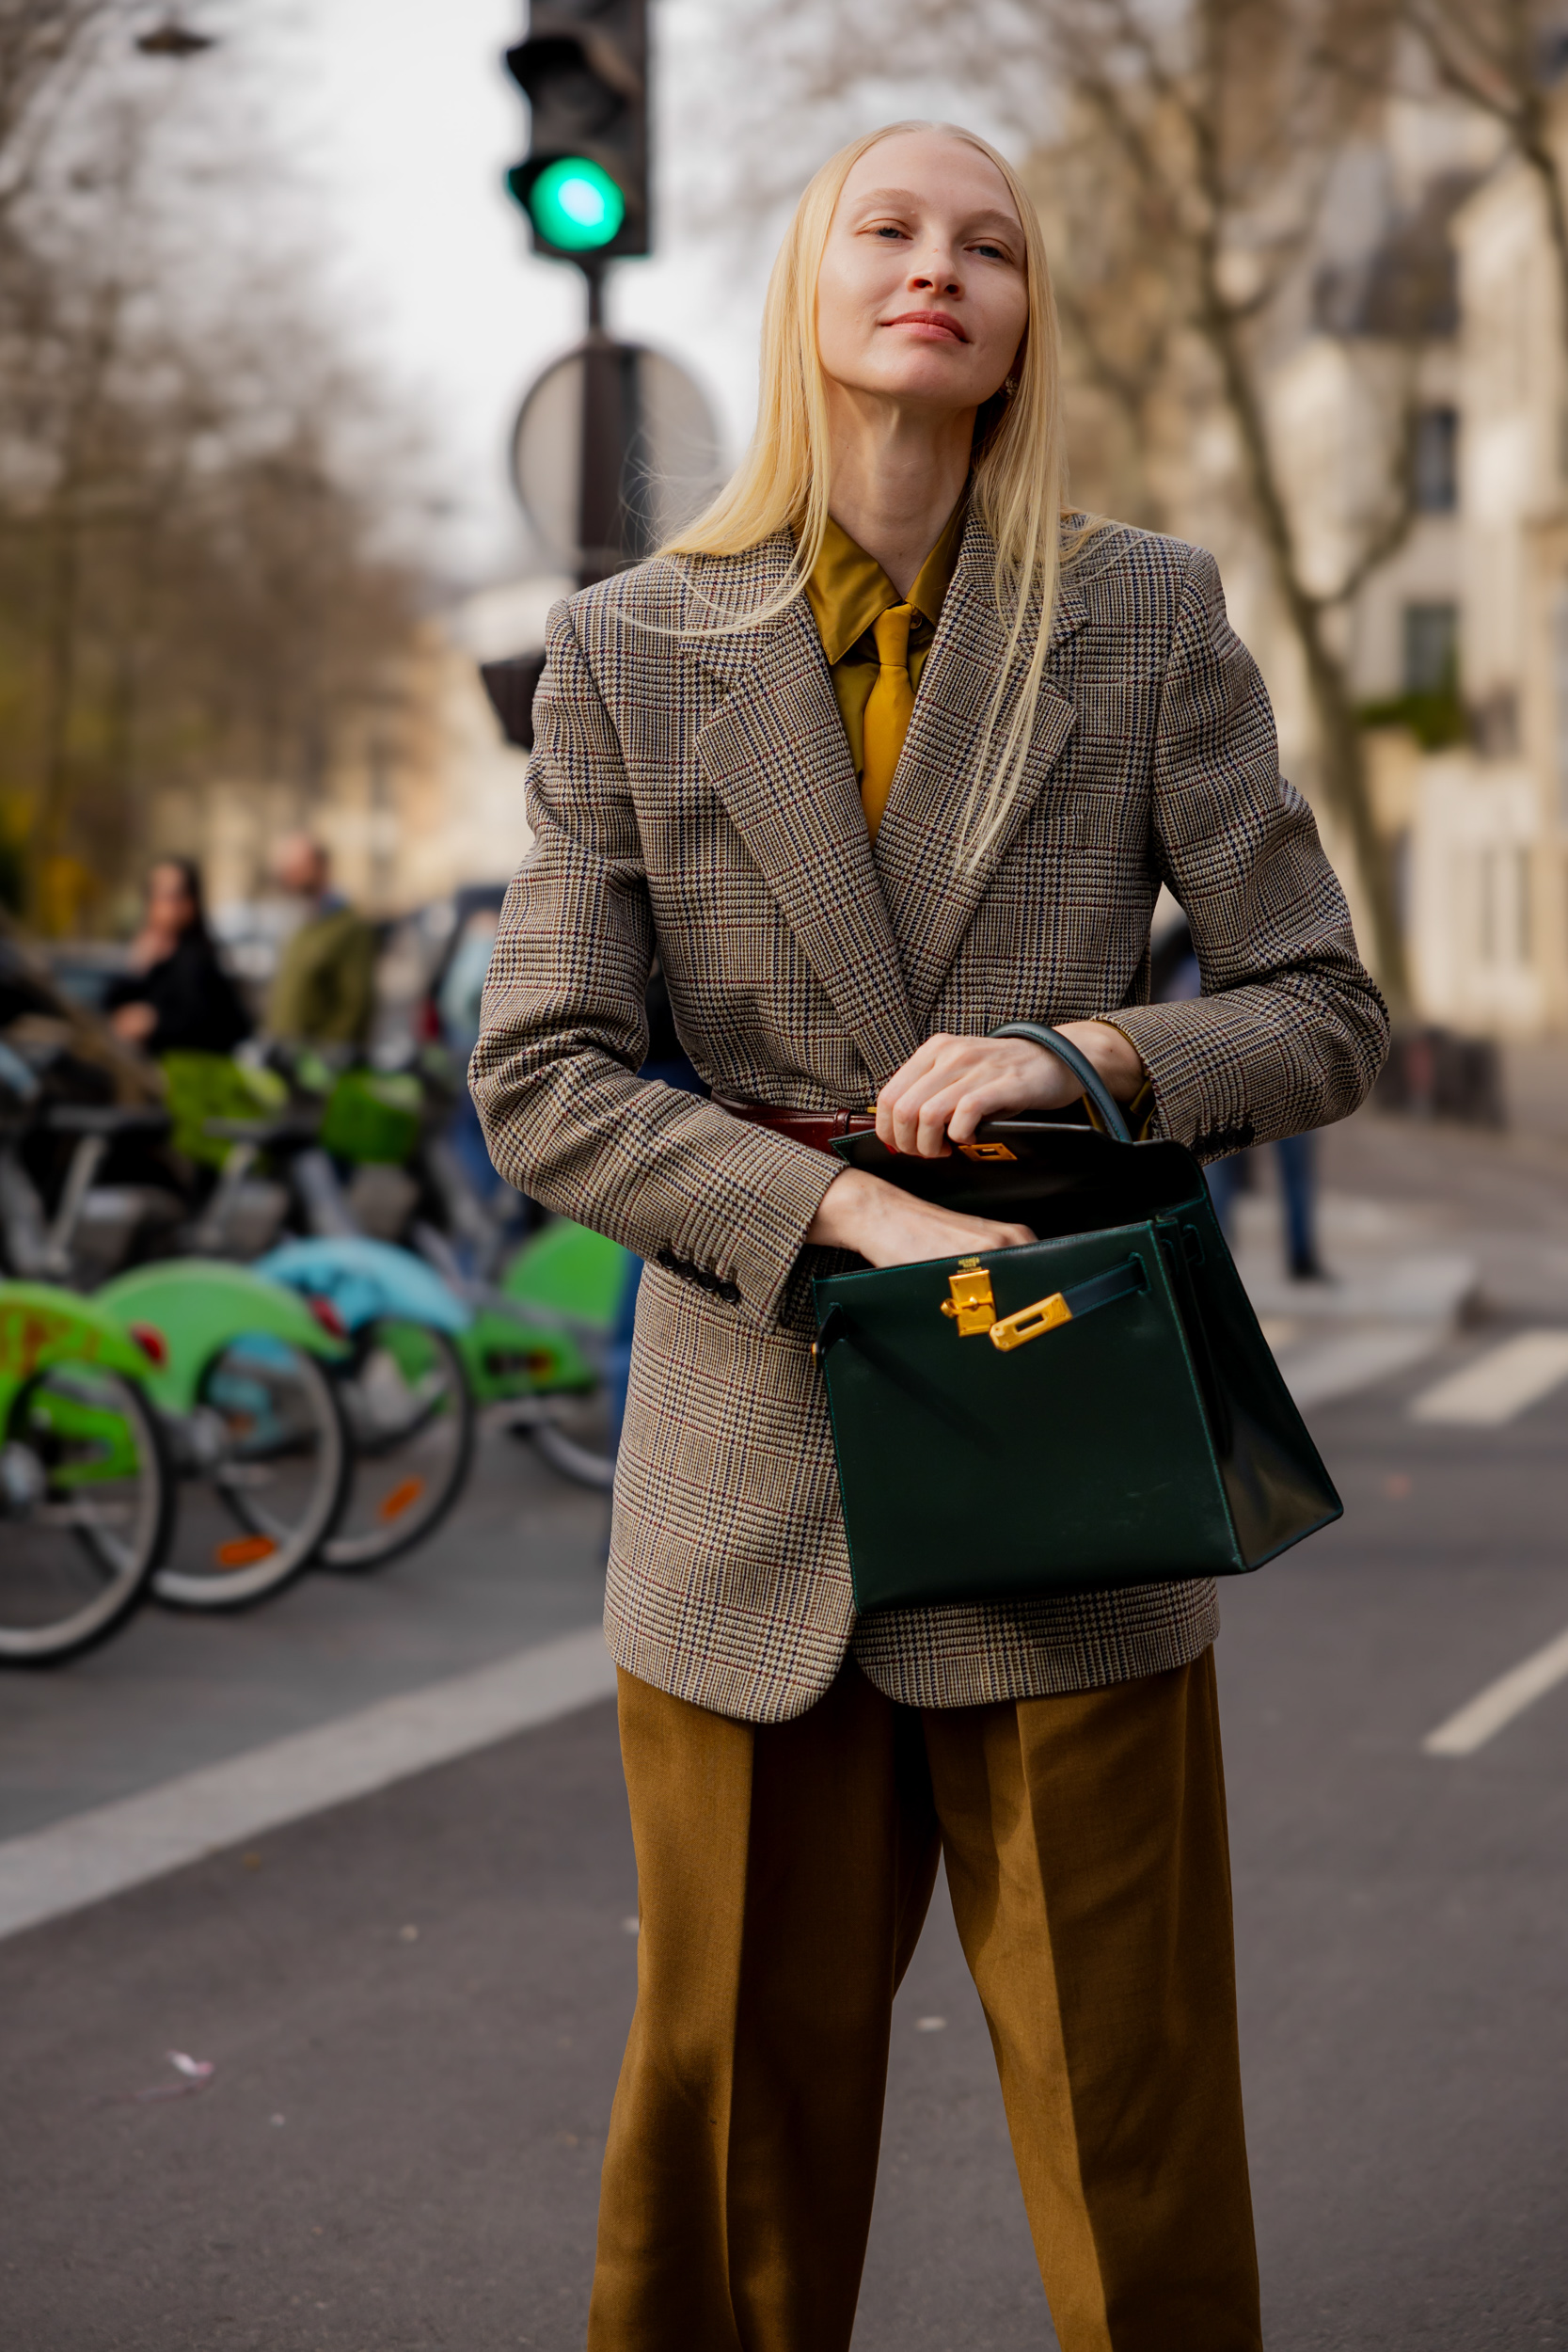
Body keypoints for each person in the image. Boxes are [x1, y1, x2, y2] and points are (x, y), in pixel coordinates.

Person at [471, 121, 1388, 2352]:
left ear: (1020, 320)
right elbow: (545, 1079)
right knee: (722, 2128)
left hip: (1065, 1446)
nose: (937, 270)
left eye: (987, 245)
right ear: (809, 289)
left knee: (1131, 2119)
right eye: (887, 229)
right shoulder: (626, 648)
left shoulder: (1145, 612)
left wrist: (1085, 1059)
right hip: (745, 1476)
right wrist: (842, 1204)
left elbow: (1321, 1009)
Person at [104, 857, 250, 1057]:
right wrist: (137, 967)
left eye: (170, 895)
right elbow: (110, 1007)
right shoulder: (150, 953)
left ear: (190, 903)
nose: (159, 903)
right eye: (153, 893)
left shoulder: (198, 956)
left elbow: (208, 1023)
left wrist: (154, 1022)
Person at [265, 834, 377, 1050]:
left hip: (317, 1065)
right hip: (286, 1056)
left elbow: (356, 1003)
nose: (287, 873)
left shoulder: (347, 926)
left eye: (296, 866)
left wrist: (326, 1056)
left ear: (320, 867)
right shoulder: (303, 921)